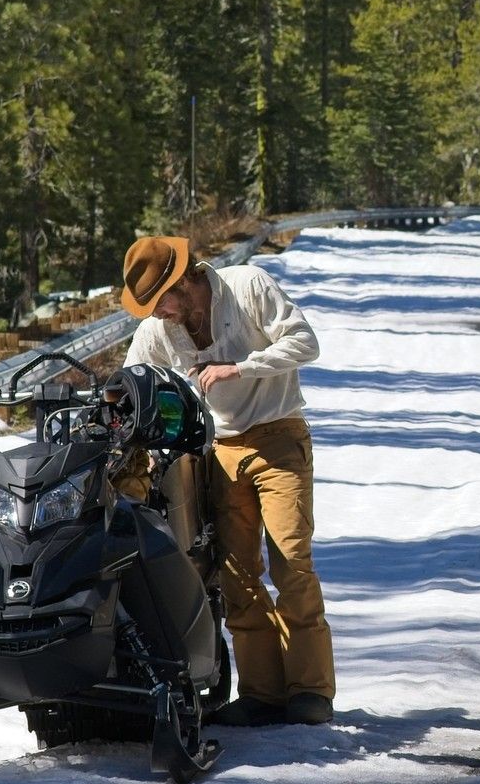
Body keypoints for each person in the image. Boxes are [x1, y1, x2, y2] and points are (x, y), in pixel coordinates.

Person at [119, 234, 333, 725]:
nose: (157, 315)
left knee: (291, 563)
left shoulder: (247, 285)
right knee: (235, 574)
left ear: (183, 280)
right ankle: (262, 692)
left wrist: (240, 368)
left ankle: (310, 691)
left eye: (160, 302)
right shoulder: (159, 330)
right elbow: (134, 379)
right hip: (217, 451)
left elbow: (306, 342)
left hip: (278, 438)